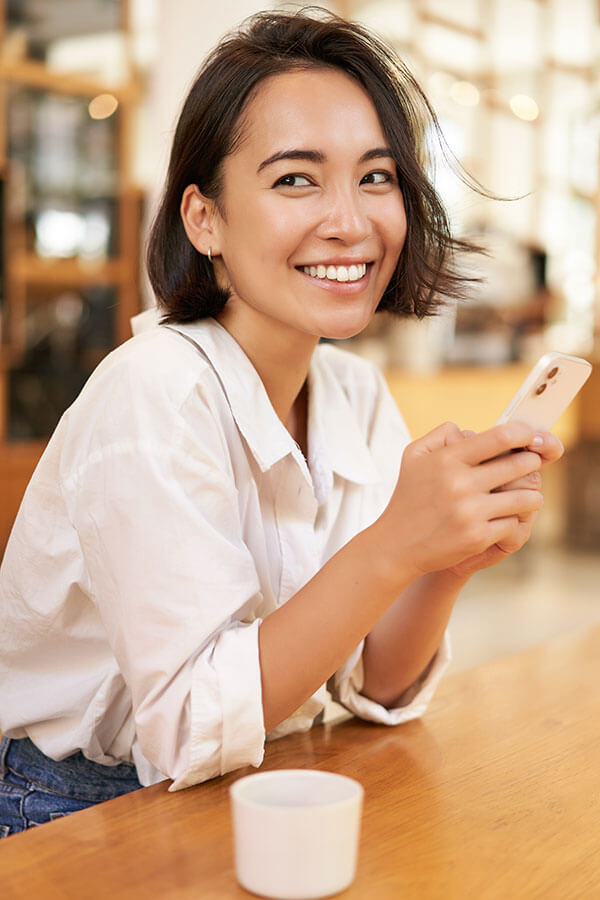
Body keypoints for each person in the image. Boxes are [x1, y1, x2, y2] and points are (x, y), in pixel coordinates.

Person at [0, 8, 562, 836]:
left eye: (376, 177)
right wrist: (394, 545)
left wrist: (445, 563)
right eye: (296, 179)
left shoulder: (356, 392)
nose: (351, 221)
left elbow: (369, 684)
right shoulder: (154, 392)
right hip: (76, 811)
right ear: (205, 219)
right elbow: (188, 726)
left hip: (263, 772)